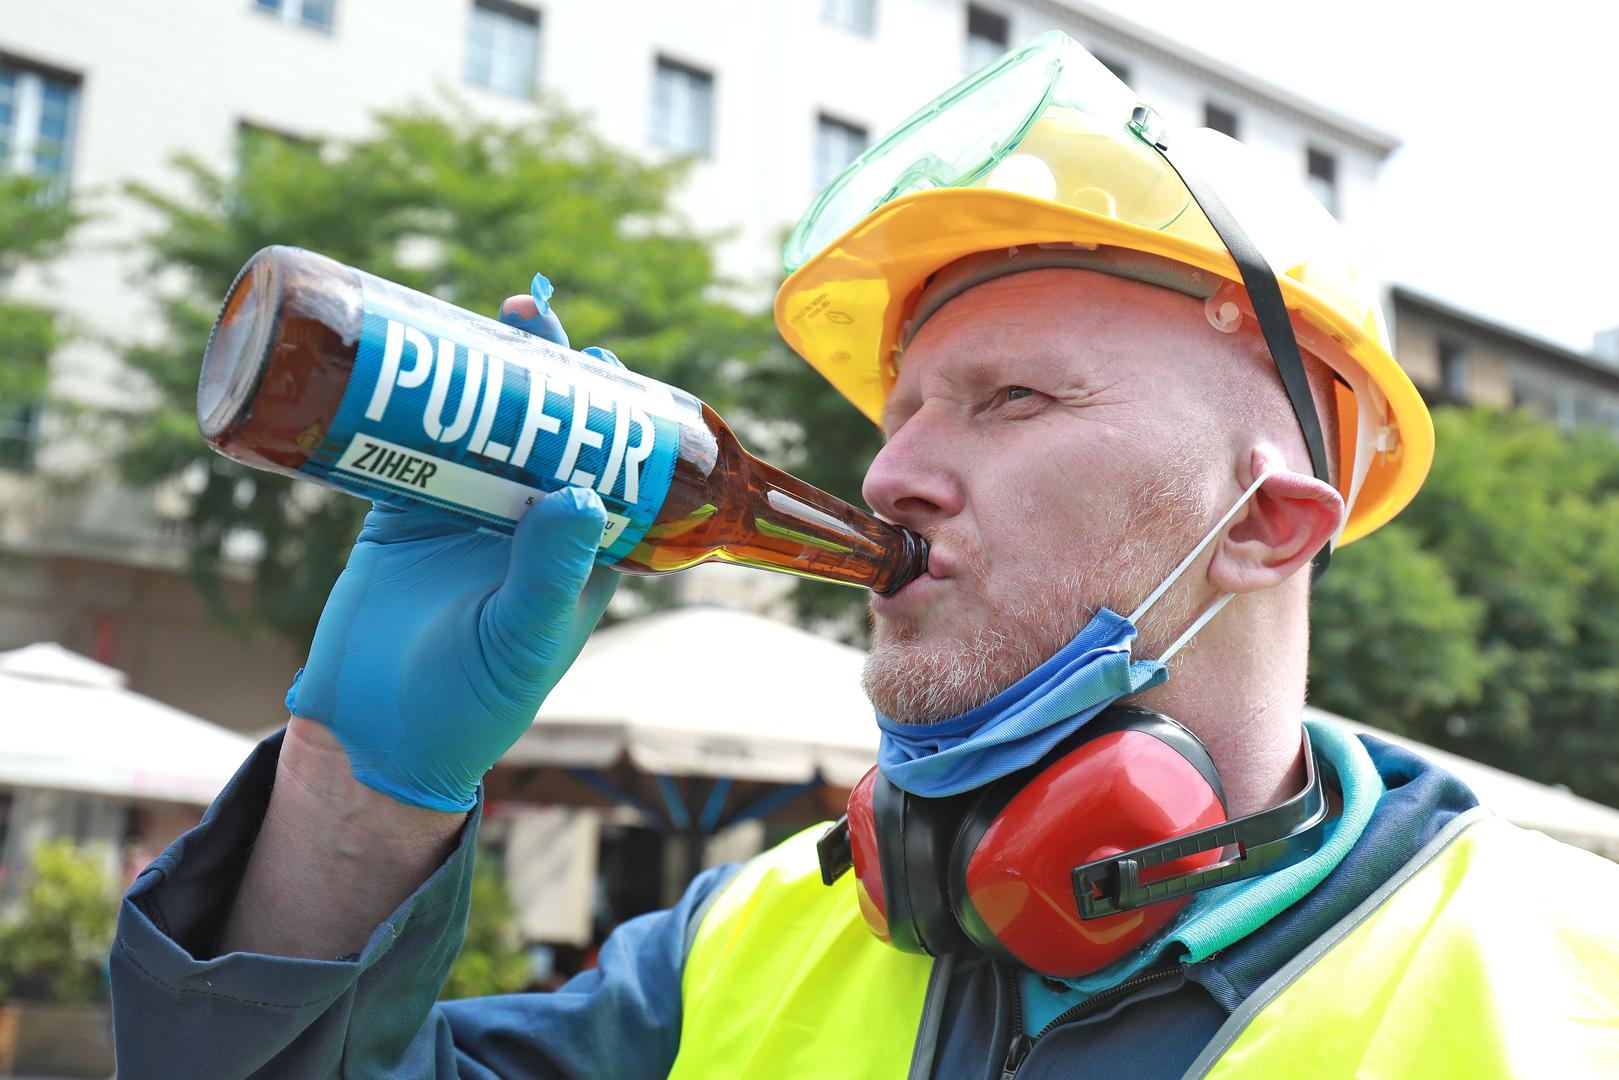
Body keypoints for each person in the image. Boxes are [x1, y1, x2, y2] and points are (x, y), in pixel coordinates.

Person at [109, 32, 1617, 1079]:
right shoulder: (736, 944)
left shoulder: (1568, 992)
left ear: (1271, 522)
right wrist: (355, 787)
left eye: (1014, 399)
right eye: (897, 416)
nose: (889, 473)